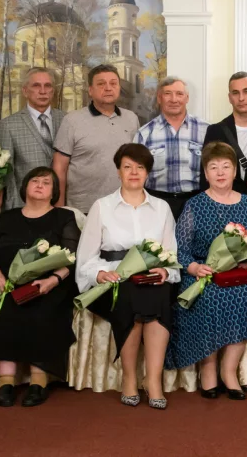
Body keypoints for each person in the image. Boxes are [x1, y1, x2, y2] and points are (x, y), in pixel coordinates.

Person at [75, 143, 179, 409]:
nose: (134, 172)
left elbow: (171, 254)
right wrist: (100, 274)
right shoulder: (102, 206)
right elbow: (86, 257)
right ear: (118, 171)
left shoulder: (162, 208)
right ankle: (130, 377)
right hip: (114, 280)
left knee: (159, 293)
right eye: (127, 167)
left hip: (151, 278)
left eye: (140, 167)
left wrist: (165, 271)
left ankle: (153, 380)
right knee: (130, 295)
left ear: (147, 173)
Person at [166, 142, 247, 400]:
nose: (220, 172)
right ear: (206, 173)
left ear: (235, 171)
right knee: (208, 298)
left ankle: (229, 371)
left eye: (226, 167)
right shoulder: (195, 205)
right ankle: (208, 369)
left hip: (238, 276)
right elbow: (180, 248)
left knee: (244, 295)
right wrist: (194, 267)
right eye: (213, 167)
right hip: (204, 273)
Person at [0, 167, 78, 407]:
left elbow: (72, 256)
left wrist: (52, 280)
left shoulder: (64, 217)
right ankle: (5, 382)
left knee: (44, 311)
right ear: (25, 187)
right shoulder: (7, 217)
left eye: (46, 182)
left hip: (49, 287)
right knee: (6, 310)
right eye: (35, 180)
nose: (40, 185)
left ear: (54, 191)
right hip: (8, 285)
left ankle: (38, 381)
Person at [53, 64, 140, 213]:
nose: (108, 88)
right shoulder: (72, 121)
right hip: (83, 209)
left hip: (124, 207)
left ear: (119, 88)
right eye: (101, 84)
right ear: (90, 90)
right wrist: (59, 210)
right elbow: (59, 167)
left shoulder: (131, 119)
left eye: (113, 83)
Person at [134, 76, 208, 220]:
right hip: (155, 204)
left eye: (179, 94)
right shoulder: (144, 134)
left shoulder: (205, 130)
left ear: (187, 98)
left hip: (197, 204)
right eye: (167, 94)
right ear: (159, 98)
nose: (174, 100)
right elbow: (136, 175)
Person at [0, 67, 66, 210]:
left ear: (53, 91)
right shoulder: (8, 125)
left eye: (47, 86)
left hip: (62, 204)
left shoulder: (67, 120)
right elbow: (7, 174)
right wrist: (13, 209)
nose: (43, 91)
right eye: (36, 85)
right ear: (25, 91)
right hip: (25, 206)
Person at [200, 71, 247, 199]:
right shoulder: (216, 130)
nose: (241, 98)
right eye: (235, 93)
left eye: (246, 91)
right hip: (226, 202)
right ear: (229, 98)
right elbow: (206, 173)